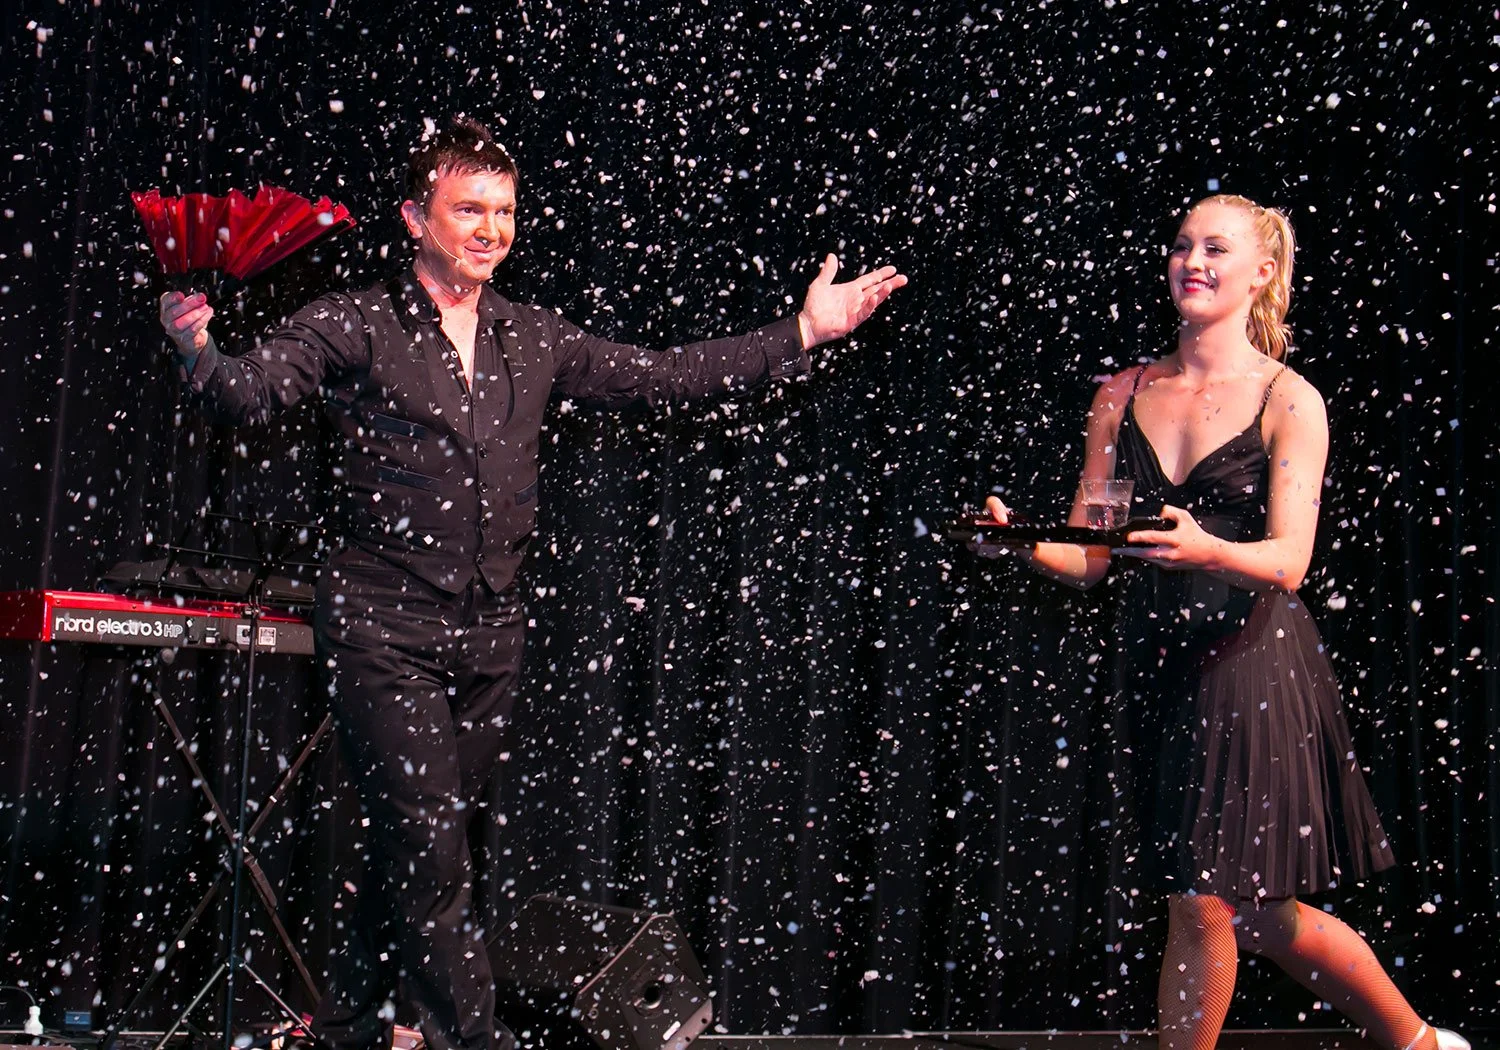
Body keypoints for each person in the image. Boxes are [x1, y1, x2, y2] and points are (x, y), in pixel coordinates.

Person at [158, 114, 906, 1050]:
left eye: (504, 211)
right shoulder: (356, 322)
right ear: (414, 218)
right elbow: (249, 391)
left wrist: (803, 331)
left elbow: (664, 377)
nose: (490, 229)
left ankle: (347, 1027)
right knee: (430, 847)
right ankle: (473, 1039)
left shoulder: (531, 336)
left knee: (417, 846)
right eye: (468, 209)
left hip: (489, 631)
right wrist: (197, 348)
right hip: (382, 623)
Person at [976, 194, 1465, 1050]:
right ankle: (1417, 1042)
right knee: (1261, 913)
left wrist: (1207, 549)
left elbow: (1290, 560)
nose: (1192, 262)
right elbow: (1093, 555)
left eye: (1215, 249)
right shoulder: (1122, 394)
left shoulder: (1288, 398)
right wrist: (1022, 543)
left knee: (1203, 899)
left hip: (1249, 663)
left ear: (1262, 273)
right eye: (1181, 246)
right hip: (1158, 664)